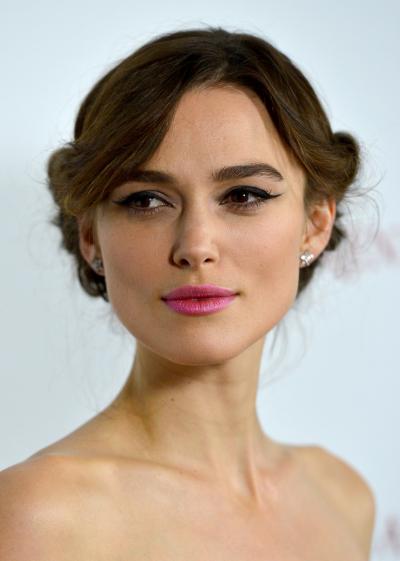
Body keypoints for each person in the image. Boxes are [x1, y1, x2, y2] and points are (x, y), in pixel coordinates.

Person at [0, 26, 375, 560]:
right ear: (90, 236)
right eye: (146, 200)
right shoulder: (34, 520)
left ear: (315, 223)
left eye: (243, 195)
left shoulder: (344, 500)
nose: (195, 246)